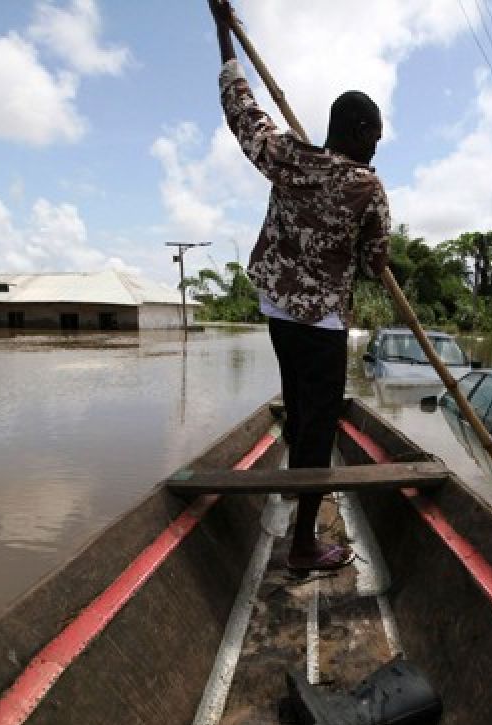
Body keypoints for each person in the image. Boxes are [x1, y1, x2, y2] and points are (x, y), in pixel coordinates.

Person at [208, 0, 391, 571]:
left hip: (278, 312)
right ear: (359, 133)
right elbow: (372, 261)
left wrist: (223, 37)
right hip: (323, 324)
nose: (379, 146)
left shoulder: (288, 156)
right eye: (376, 136)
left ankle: (299, 506)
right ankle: (304, 544)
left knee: (302, 411)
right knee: (318, 426)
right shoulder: (368, 187)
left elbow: (243, 110)